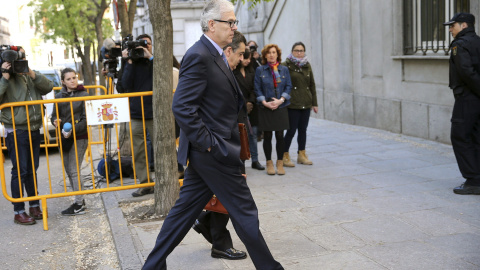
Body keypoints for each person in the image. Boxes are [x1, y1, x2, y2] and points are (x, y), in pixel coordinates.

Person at [142, 1, 283, 269]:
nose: (234, 27)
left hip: (210, 153)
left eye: (234, 22)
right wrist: (211, 146)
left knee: (183, 213)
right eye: (229, 22)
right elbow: (182, 107)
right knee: (245, 213)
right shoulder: (199, 55)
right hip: (215, 154)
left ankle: (152, 265)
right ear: (212, 25)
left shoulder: (215, 53)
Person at [192, 30, 248, 261]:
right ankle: (219, 240)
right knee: (227, 195)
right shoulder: (208, 66)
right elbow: (189, 108)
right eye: (241, 54)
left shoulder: (227, 70)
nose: (243, 59)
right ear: (228, 50)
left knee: (217, 195)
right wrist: (211, 144)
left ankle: (206, 225)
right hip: (219, 145)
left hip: (228, 142)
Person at [0, 47, 54, 225]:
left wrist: (29, 71)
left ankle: (34, 205)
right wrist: (5, 77)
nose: (18, 63)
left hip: (33, 128)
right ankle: (18, 211)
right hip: (17, 129)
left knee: (31, 169)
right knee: (20, 170)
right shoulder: (5, 78)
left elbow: (48, 86)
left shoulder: (28, 74)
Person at [443, 12, 480, 195]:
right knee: (475, 137)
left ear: (464, 25)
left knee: (460, 136)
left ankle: (473, 180)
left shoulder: (460, 45)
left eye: (453, 25)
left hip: (467, 97)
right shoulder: (478, 41)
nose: (450, 29)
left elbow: (466, 72)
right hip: (476, 99)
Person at [121, 34, 156, 197]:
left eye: (147, 44)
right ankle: (145, 183)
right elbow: (124, 86)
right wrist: (127, 61)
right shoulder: (131, 63)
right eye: (141, 45)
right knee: (139, 151)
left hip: (154, 112)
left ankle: (164, 180)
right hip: (136, 113)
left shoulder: (154, 61)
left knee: (160, 147)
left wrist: (150, 58)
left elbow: (162, 76)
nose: (144, 47)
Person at [51, 68, 89, 215]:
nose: (73, 80)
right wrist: (55, 121)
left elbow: (87, 119)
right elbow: (54, 115)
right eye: (69, 79)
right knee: (69, 170)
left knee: (74, 170)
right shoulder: (59, 96)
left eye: (74, 77)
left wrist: (73, 128)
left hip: (79, 136)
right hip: (64, 137)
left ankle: (79, 204)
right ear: (63, 81)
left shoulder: (84, 94)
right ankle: (79, 200)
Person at [254, 44, 292, 176]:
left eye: (274, 52)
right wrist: (265, 102)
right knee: (268, 136)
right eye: (269, 52)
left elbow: (288, 86)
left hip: (280, 106)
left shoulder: (284, 69)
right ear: (265, 55)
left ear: (277, 55)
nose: (271, 55)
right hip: (266, 107)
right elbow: (257, 88)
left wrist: (280, 100)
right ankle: (269, 163)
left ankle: (280, 163)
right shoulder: (260, 70)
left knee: (280, 135)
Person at [282, 41, 318, 167]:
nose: (299, 53)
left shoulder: (307, 65)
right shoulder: (286, 65)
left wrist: (314, 103)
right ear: (292, 52)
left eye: (301, 50)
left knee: (303, 130)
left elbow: (312, 84)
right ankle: (284, 155)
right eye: (296, 50)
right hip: (293, 103)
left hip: (306, 103)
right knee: (291, 130)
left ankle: (301, 155)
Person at [234, 48, 265, 170]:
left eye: (249, 58)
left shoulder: (252, 71)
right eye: (245, 58)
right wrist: (245, 103)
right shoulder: (233, 72)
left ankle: (255, 160)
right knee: (241, 134)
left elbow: (255, 88)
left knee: (253, 134)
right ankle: (241, 161)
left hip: (253, 107)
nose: (247, 61)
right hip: (240, 107)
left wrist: (251, 102)